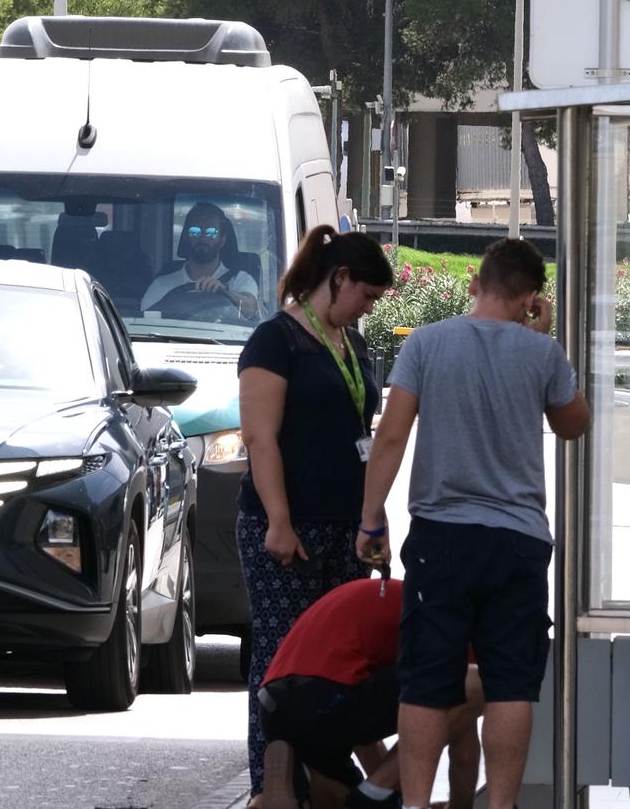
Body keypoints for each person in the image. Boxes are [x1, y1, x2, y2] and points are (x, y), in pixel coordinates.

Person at [357, 238, 589, 809]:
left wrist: (371, 520)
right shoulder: (542, 354)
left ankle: (412, 804)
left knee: (427, 679)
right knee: (511, 682)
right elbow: (573, 425)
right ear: (532, 298)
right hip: (518, 541)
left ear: (473, 284)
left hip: (442, 536)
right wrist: (542, 339)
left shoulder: (429, 344)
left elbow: (392, 434)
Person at [237, 225, 395, 797]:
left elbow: (364, 436)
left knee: (343, 661)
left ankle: (328, 777)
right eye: (367, 296)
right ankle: (270, 783)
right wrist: (278, 520)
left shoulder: (352, 345)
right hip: (288, 527)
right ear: (340, 278)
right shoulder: (275, 340)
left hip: (346, 526)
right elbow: (260, 437)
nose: (368, 309)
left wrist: (372, 517)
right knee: (283, 658)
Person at [253, 576, 482, 809]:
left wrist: (391, 798)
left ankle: (299, 784)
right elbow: (465, 752)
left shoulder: (403, 599)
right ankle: (369, 791)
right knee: (479, 682)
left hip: (276, 708)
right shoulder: (458, 627)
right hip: (324, 697)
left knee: (349, 800)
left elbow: (365, 733)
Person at [143, 202, 263, 320]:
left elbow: (250, 309)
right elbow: (143, 322)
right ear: (185, 236)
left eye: (211, 232)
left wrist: (225, 292)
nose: (202, 237)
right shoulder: (162, 285)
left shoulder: (240, 280)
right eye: (195, 231)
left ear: (222, 240)